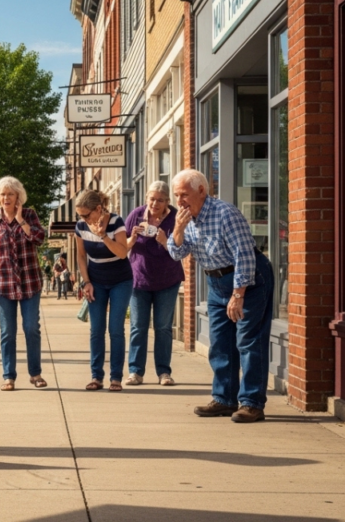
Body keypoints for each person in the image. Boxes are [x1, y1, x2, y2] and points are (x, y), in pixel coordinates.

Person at [168, 169, 274, 423]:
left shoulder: (225, 213)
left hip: (249, 279)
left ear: (201, 190)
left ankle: (252, 403)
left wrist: (238, 294)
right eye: (176, 195)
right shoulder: (185, 220)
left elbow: (244, 255)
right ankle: (225, 399)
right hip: (215, 283)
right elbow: (176, 253)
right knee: (220, 343)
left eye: (184, 194)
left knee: (248, 341)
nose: (179, 201)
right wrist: (178, 230)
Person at [0, 176, 47, 391]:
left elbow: (39, 238)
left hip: (29, 282)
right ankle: (9, 376)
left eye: (10, 194)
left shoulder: (29, 215)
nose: (6, 198)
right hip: (3, 283)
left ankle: (35, 374)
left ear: (18, 196)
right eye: (2, 194)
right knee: (7, 331)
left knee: (30, 328)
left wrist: (21, 220)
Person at [125, 181, 185, 387]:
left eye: (160, 200)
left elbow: (182, 249)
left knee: (163, 328)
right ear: (146, 199)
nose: (155, 203)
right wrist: (132, 239)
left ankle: (164, 372)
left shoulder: (176, 217)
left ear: (167, 201)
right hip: (139, 279)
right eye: (152, 199)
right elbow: (121, 246)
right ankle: (135, 372)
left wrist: (163, 241)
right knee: (138, 327)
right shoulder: (136, 215)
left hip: (168, 280)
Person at [75, 189, 132, 392]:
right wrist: (86, 282)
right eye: (80, 215)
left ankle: (116, 377)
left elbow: (123, 252)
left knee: (115, 329)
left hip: (120, 281)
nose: (83, 219)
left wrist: (103, 236)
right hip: (96, 281)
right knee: (96, 330)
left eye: (86, 214)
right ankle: (96, 376)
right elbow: (81, 257)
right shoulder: (81, 226)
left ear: (98, 208)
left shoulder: (116, 222)